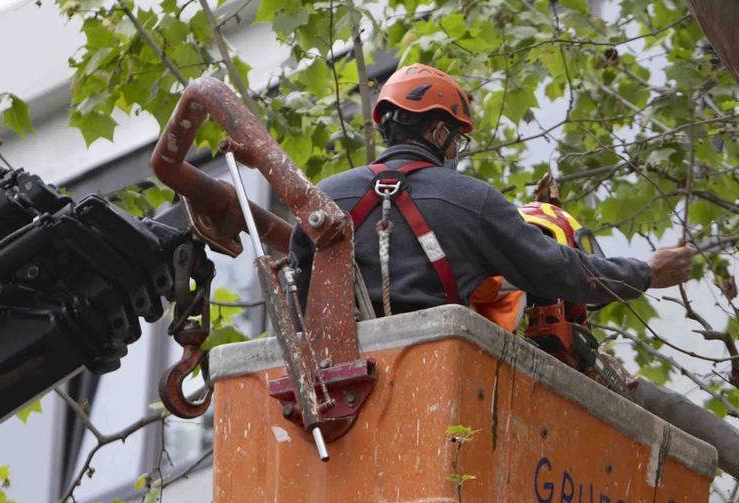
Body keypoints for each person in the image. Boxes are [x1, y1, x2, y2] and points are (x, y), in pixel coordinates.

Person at [291, 63, 695, 325]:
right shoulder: (471, 200)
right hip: (436, 370)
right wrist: (646, 272)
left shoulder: (324, 198)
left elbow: (298, 302)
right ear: (436, 131)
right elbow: (558, 270)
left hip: (335, 384)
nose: (453, 152)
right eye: (454, 139)